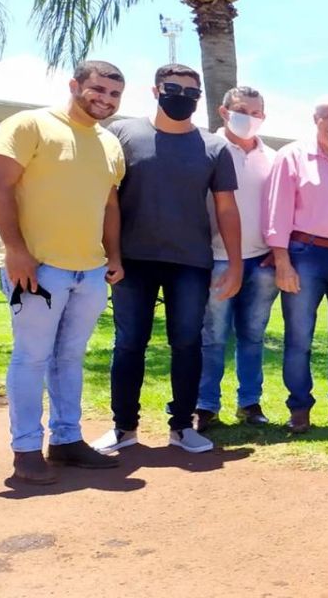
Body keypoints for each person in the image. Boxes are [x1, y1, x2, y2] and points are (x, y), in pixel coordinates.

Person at [0, 60, 127, 484]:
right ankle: (26, 449)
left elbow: (109, 205)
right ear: (74, 85)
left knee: (70, 357)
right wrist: (15, 250)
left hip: (90, 271)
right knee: (31, 357)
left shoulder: (110, 144)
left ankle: (67, 440)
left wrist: (113, 256)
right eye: (97, 89)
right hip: (38, 268)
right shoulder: (28, 125)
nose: (105, 99)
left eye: (114, 94)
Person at [92, 63, 242, 455]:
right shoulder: (122, 133)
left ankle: (182, 427)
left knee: (187, 344)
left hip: (190, 263)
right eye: (173, 89)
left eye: (192, 93)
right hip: (132, 260)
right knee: (129, 343)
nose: (182, 97)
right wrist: (110, 254)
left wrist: (236, 264)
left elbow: (226, 208)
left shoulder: (214, 147)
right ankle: (124, 427)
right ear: (156, 91)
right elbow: (107, 200)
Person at [263, 96, 328, 433]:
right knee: (299, 337)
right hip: (304, 253)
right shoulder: (292, 156)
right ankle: (299, 407)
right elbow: (277, 212)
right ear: (315, 119)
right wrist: (282, 261)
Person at [193, 86, 279, 431]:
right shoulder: (205, 148)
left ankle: (249, 403)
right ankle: (206, 405)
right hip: (216, 259)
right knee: (212, 337)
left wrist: (277, 249)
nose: (250, 118)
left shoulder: (273, 157)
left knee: (253, 335)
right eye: (243, 111)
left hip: (262, 261)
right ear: (224, 111)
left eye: (256, 113)